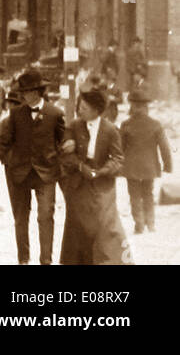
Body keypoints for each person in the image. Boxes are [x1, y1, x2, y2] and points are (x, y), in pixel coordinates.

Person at [0, 67, 65, 265]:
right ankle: (23, 259)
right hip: (19, 173)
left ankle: (46, 260)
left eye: (27, 92)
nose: (23, 95)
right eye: (21, 92)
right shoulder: (16, 114)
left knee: (46, 216)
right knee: (21, 219)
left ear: (38, 92)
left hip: (45, 174)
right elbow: (3, 142)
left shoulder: (55, 114)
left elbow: (62, 143)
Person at [58, 87, 130, 265]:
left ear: (96, 111)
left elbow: (118, 159)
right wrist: (81, 166)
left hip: (102, 184)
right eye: (79, 106)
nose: (80, 110)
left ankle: (108, 261)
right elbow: (66, 153)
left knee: (104, 223)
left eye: (84, 107)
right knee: (77, 224)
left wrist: (101, 171)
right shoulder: (74, 126)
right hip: (79, 183)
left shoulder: (110, 130)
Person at [120, 91, 172, 234]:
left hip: (131, 167)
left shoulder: (126, 125)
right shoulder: (155, 125)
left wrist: (118, 166)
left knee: (134, 196)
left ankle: (139, 225)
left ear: (132, 106)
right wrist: (168, 165)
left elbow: (120, 148)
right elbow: (164, 147)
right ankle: (151, 224)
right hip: (150, 167)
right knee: (148, 194)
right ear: (146, 107)